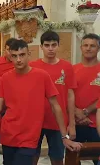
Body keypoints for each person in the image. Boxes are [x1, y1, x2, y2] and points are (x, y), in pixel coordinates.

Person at [0, 39, 82, 165]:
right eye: (14, 56)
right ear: (10, 56)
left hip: (29, 137)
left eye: (22, 55)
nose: (18, 59)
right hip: (9, 134)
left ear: (28, 54)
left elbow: (55, 106)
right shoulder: (6, 78)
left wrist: (64, 136)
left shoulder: (42, 76)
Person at [30, 31, 77, 165]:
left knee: (57, 158)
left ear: (58, 46)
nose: (50, 48)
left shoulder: (67, 67)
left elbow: (70, 95)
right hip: (37, 120)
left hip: (58, 121)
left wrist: (72, 123)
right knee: (32, 157)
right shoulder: (33, 67)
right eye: (47, 45)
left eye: (53, 45)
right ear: (41, 47)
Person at [74, 33, 100, 165]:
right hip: (75, 124)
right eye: (85, 45)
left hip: (97, 125)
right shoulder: (72, 70)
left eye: (92, 46)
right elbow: (66, 96)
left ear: (98, 49)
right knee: (73, 160)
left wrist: (85, 111)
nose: (88, 48)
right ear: (81, 48)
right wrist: (76, 112)